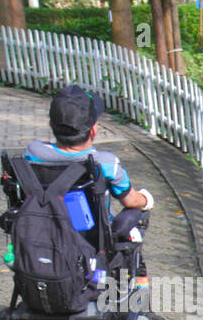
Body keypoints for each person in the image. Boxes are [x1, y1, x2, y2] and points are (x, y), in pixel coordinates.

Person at [23, 84, 154, 284]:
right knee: (135, 222)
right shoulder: (106, 163)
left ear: (51, 124)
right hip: (94, 241)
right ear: (93, 130)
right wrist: (146, 199)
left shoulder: (33, 153)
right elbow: (131, 200)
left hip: (45, 235)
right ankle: (141, 300)